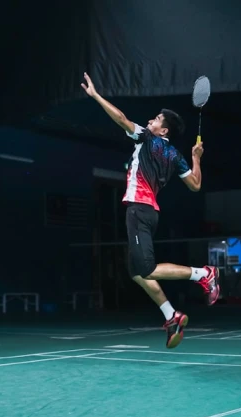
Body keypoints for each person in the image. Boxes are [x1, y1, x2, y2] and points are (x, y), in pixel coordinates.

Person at [81, 72, 220, 349]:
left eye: (156, 119)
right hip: (149, 212)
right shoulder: (175, 156)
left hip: (139, 209)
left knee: (147, 269)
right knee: (137, 272)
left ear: (163, 131)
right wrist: (196, 158)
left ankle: (203, 274)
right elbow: (195, 185)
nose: (150, 121)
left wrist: (96, 96)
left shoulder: (146, 139)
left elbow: (121, 118)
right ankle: (172, 316)